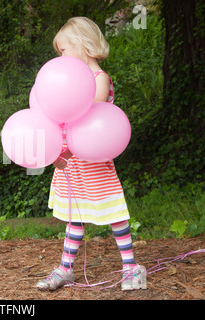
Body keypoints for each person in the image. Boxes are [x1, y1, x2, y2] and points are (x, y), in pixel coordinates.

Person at [36, 17, 147, 291]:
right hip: (72, 162)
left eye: (63, 50)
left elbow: (88, 118)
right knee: (75, 216)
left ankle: (132, 268)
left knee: (113, 212)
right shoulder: (66, 82)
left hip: (93, 161)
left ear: (83, 45)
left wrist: (69, 148)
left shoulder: (100, 78)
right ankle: (65, 269)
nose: (59, 56)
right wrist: (56, 150)